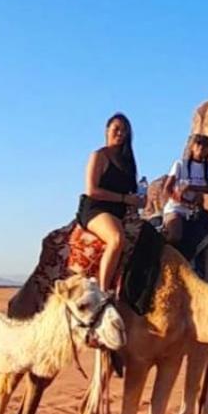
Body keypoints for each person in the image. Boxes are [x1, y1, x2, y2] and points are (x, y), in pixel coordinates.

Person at [77, 113, 143, 294]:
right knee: (116, 238)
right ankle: (102, 291)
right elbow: (92, 190)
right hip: (96, 209)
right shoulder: (99, 156)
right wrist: (124, 199)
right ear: (107, 131)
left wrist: (137, 200)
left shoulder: (128, 163)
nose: (120, 133)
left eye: (124, 131)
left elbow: (130, 193)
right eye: (117, 129)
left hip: (120, 211)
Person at [161, 133, 208, 262]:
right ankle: (165, 260)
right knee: (175, 236)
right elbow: (167, 189)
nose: (202, 148)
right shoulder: (180, 164)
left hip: (195, 211)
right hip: (175, 209)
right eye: (198, 144)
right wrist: (181, 200)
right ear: (192, 146)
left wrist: (191, 187)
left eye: (206, 145)